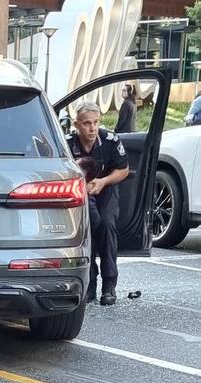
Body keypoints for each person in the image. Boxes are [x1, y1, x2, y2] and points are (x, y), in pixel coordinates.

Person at [66, 102, 129, 306]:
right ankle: (89, 282)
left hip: (105, 188)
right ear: (76, 124)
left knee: (108, 225)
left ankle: (109, 284)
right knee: (89, 229)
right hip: (80, 192)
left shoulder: (110, 140)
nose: (92, 128)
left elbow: (123, 170)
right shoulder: (66, 143)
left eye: (96, 122)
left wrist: (102, 182)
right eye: (86, 124)